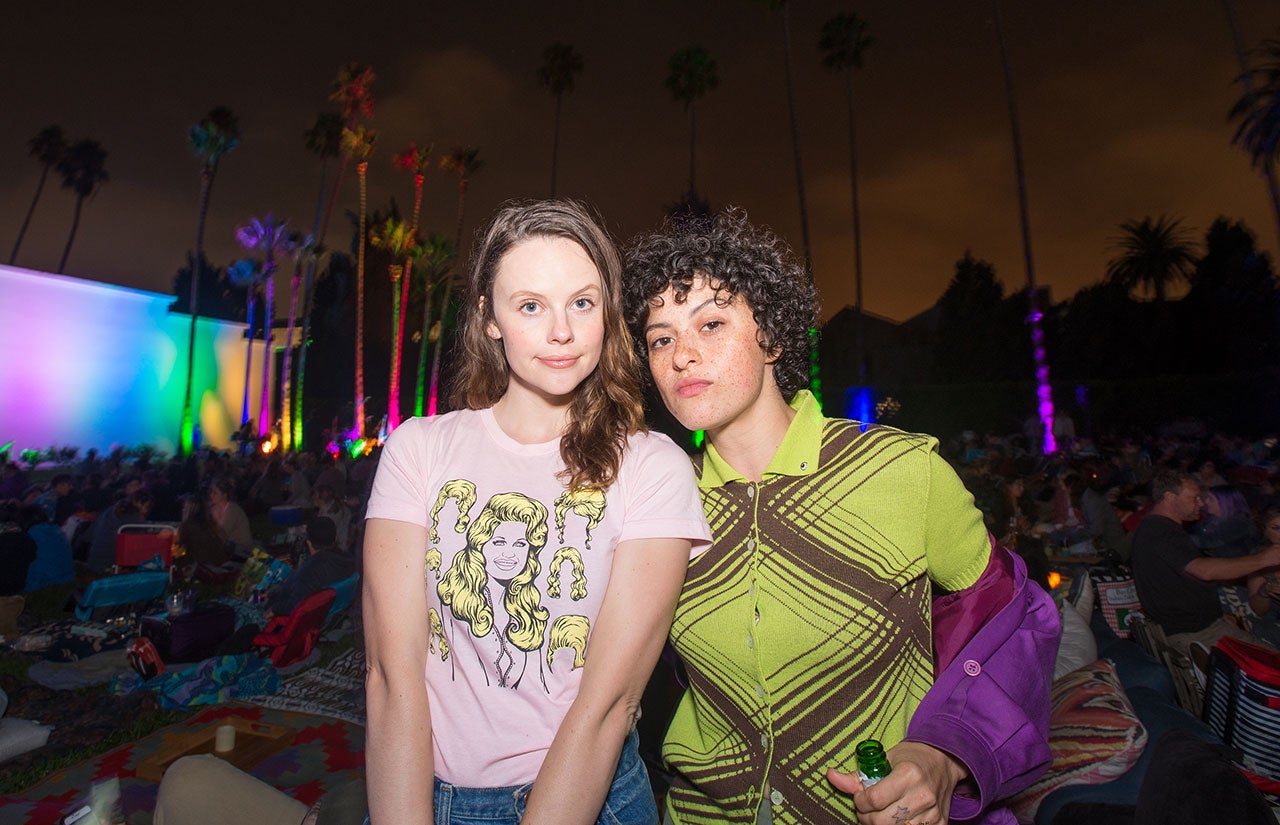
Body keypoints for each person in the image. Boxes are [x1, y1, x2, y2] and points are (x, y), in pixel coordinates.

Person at [622, 208, 1056, 825]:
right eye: (661, 338)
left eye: (711, 323)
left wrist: (946, 750)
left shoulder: (902, 470)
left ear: (771, 337)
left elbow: (1013, 619)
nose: (682, 355)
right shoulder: (658, 504)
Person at [362, 199, 711, 825]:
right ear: (489, 319)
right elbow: (392, 674)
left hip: (591, 799)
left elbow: (610, 704)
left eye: (582, 302)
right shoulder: (420, 448)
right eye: (530, 305)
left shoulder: (653, 466)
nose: (561, 331)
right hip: (423, 795)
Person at [1130, 469, 1280, 656]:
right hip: (1194, 634)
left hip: (1196, 626)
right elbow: (1203, 570)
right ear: (1169, 497)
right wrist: (1266, 558)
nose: (1201, 503)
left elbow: (1180, 583)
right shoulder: (1161, 532)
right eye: (1195, 498)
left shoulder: (1160, 528)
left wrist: (1215, 615)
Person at [264, 516, 354, 620]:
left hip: (276, 606)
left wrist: (274, 609)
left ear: (309, 542)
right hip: (327, 611)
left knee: (256, 595)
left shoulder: (311, 570)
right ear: (334, 539)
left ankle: (255, 597)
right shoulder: (346, 561)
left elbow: (295, 605)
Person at [208, 476, 253, 554]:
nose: (211, 495)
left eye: (215, 493)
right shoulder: (214, 508)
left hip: (242, 548)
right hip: (229, 545)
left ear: (224, 495)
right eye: (211, 492)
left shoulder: (233, 509)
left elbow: (222, 534)